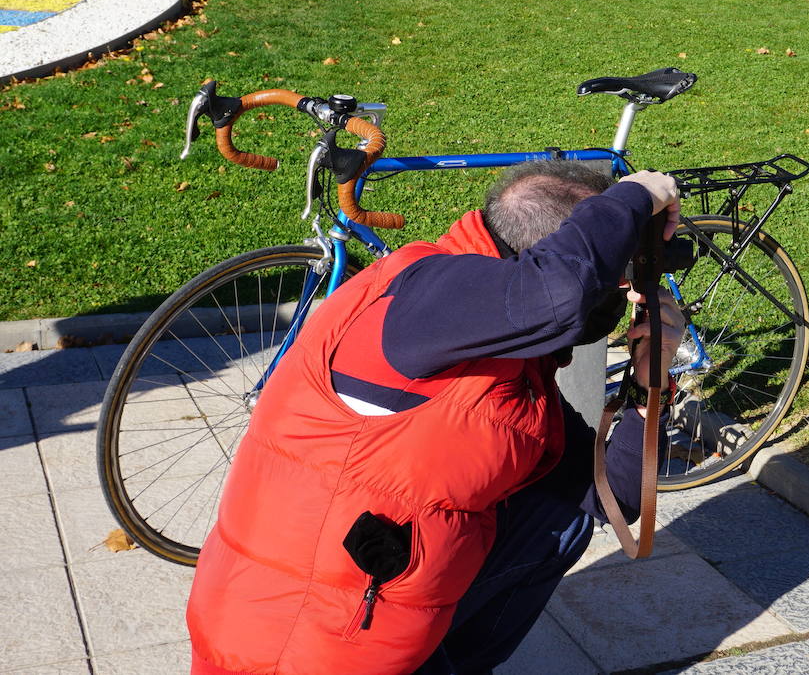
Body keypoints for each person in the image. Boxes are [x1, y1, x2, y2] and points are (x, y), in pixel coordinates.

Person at [186, 160, 684, 675]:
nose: (624, 290)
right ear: (543, 256)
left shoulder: (499, 341)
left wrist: (652, 382)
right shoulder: (424, 300)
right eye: (616, 271)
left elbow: (611, 496)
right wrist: (635, 196)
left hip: (360, 598)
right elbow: (558, 293)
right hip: (295, 643)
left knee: (559, 519)